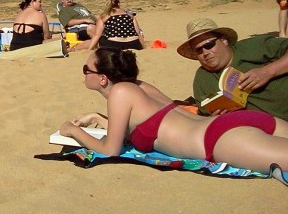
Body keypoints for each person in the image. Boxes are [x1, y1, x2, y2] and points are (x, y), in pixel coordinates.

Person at [59, 48, 288, 178]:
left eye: (85, 70)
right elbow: (147, 121)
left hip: (220, 140)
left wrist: (74, 131)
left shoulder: (119, 93)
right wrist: (100, 118)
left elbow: (111, 149)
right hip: (235, 122)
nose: (83, 74)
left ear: (102, 78)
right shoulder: (139, 86)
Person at [177, 18, 288, 121]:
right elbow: (205, 119)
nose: (205, 52)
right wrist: (215, 119)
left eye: (209, 44)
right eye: (199, 50)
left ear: (224, 40)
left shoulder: (252, 47)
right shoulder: (202, 80)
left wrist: (267, 72)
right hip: (262, 133)